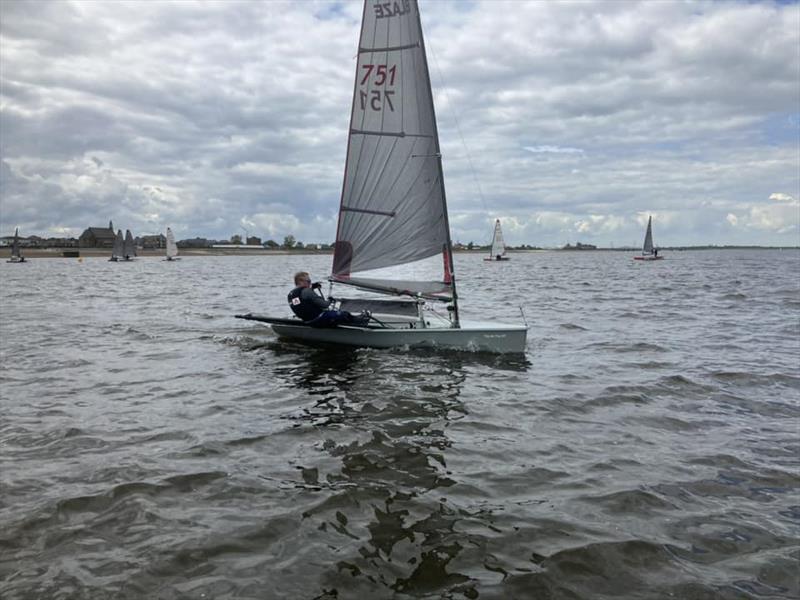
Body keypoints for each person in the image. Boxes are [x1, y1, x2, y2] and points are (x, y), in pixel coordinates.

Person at [288, 271, 370, 327]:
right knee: (343, 314)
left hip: (308, 321)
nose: (310, 283)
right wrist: (330, 300)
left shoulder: (291, 294)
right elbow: (324, 305)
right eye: (308, 281)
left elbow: (305, 301)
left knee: (335, 314)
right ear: (300, 281)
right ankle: (361, 322)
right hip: (319, 319)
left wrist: (312, 287)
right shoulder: (307, 291)